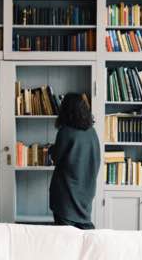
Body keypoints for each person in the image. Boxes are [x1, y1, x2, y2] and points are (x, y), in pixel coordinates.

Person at [49, 92, 100, 229]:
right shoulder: (92, 132)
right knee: (85, 234)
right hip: (86, 192)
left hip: (66, 194)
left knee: (66, 239)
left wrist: (50, 150)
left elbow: (56, 158)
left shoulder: (65, 132)